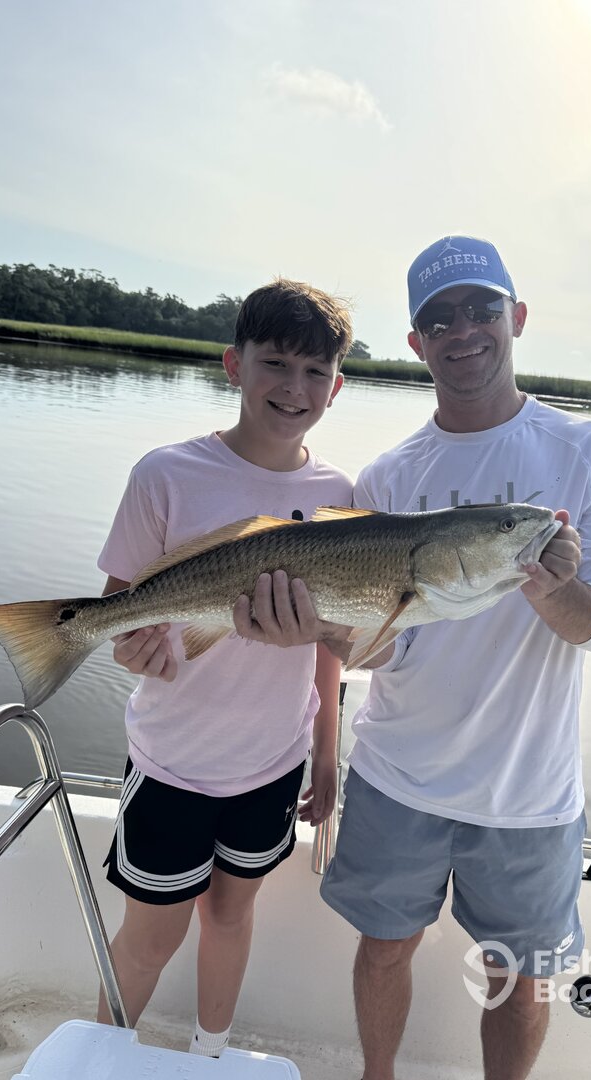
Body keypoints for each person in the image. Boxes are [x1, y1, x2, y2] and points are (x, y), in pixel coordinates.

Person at [232, 236, 591, 1080]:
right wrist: (312, 632)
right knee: (384, 948)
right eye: (438, 319)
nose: (463, 330)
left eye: (481, 308)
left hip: (529, 792)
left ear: (516, 317)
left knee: (518, 982)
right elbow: (376, 649)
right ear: (417, 343)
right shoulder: (387, 478)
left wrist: (554, 593)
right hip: (398, 776)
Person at [95, 278, 354, 1056]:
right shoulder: (166, 474)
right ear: (234, 364)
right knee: (151, 936)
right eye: (276, 363)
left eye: (314, 372)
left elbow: (331, 642)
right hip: (173, 758)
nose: (294, 388)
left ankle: (210, 1057)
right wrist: (134, 647)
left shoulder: (340, 494)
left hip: (273, 763)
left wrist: (327, 751)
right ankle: (96, 1059)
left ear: (337, 387)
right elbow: (119, 613)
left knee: (232, 916)